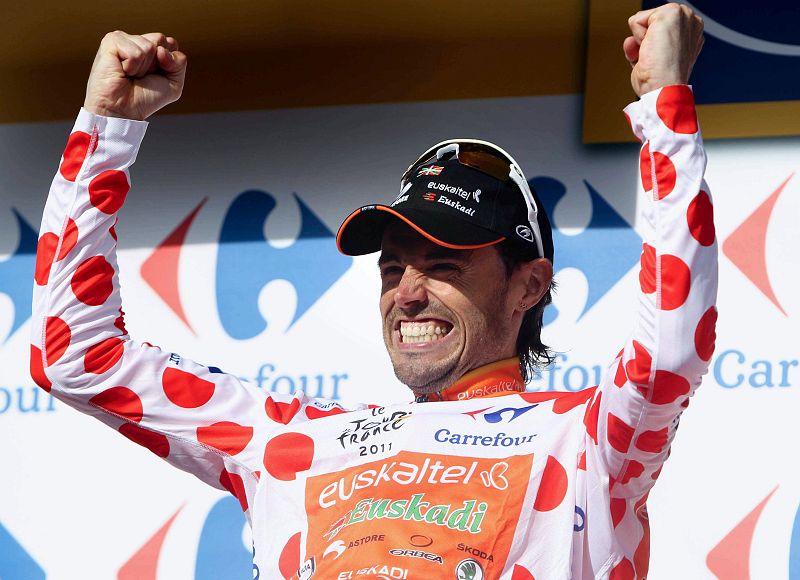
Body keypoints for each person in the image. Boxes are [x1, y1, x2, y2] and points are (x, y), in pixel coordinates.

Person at [31, 3, 714, 578]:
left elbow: (672, 350)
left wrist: (663, 107)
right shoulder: (288, 439)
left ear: (528, 286)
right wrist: (107, 129)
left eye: (444, 266)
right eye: (393, 269)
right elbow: (75, 357)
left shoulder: (587, 439)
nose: (408, 294)